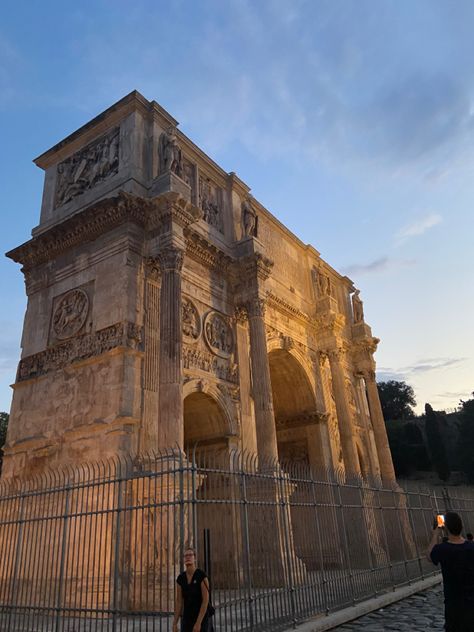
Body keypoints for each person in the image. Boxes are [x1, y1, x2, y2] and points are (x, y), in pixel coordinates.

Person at [428, 511, 474, 631]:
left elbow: (429, 555)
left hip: (453, 603)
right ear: (461, 526)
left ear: (446, 528)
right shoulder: (471, 547)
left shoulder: (442, 549)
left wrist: (435, 534)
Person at [173, 547, 211, 632]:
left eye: (190, 555)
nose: (188, 557)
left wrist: (198, 623)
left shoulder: (201, 576)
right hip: (187, 618)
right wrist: (175, 623)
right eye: (185, 556)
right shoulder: (180, 578)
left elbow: (205, 601)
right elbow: (179, 601)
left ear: (195, 558)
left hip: (201, 617)